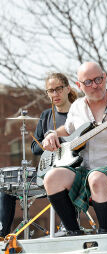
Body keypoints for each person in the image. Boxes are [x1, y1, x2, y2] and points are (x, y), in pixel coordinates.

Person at [41, 62, 107, 235]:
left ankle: (105, 234)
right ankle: (73, 233)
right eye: (88, 82)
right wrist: (52, 133)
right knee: (52, 177)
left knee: (96, 177)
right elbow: (68, 130)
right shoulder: (77, 106)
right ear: (79, 85)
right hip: (86, 170)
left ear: (105, 77)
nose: (95, 85)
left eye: (98, 79)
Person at [0, 73, 77, 238]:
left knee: (58, 182)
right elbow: (35, 147)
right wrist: (47, 144)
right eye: (50, 91)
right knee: (7, 188)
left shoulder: (79, 113)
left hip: (72, 171)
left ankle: (67, 227)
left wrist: (61, 140)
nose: (55, 94)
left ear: (68, 88)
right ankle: (2, 236)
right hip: (47, 170)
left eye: (58, 89)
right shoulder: (46, 115)